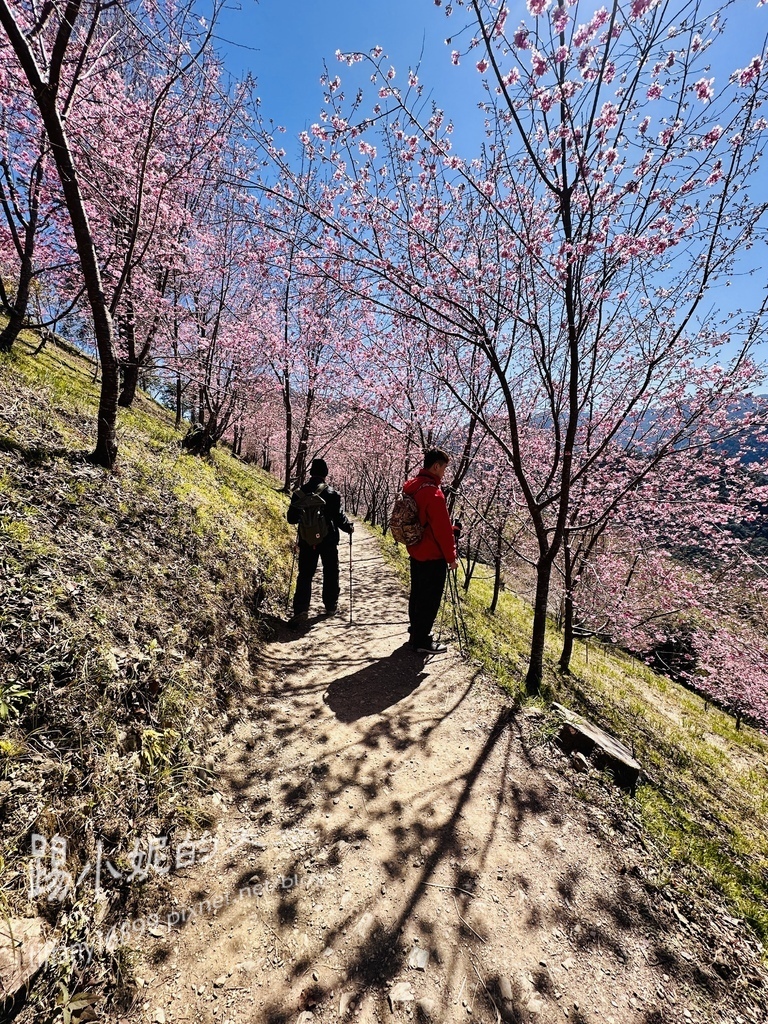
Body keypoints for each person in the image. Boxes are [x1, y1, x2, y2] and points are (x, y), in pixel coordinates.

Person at [403, 448, 458, 654]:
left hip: (415, 549)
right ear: (436, 466)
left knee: (417, 594)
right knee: (430, 599)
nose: (444, 473)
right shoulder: (434, 493)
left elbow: (424, 521)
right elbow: (442, 530)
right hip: (432, 555)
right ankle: (422, 641)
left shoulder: (413, 487)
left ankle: (415, 632)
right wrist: (451, 557)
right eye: (443, 468)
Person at [287, 457, 354, 626]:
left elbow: (291, 519)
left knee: (305, 574)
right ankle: (330, 605)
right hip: (328, 540)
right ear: (326, 474)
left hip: (306, 540)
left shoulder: (299, 493)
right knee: (330, 571)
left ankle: (301, 609)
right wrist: (349, 528)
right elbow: (339, 518)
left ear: (310, 473)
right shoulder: (332, 493)